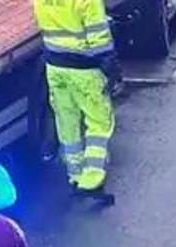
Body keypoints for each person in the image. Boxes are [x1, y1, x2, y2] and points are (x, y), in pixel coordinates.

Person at [33, 0, 120, 204]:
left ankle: (75, 174)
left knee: (67, 122)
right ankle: (92, 181)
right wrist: (111, 64)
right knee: (99, 123)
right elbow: (98, 37)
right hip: (85, 69)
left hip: (55, 67)